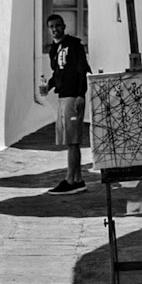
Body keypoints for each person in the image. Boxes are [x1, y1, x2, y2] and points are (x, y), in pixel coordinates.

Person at [40, 13, 90, 193]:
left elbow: (82, 70)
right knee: (70, 141)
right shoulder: (54, 50)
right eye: (51, 27)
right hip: (63, 97)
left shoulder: (74, 45)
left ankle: (71, 180)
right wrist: (49, 86)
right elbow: (58, 74)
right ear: (48, 29)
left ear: (64, 26)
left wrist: (80, 95)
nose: (55, 29)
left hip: (73, 96)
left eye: (58, 26)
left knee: (72, 141)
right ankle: (77, 179)